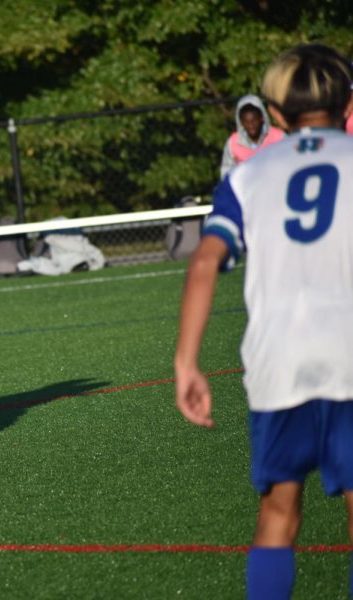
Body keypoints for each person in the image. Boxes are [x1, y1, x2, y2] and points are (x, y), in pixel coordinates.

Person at [174, 43, 353, 600]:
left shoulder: (250, 177)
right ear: (347, 103)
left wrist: (186, 362)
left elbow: (206, 260)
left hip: (279, 362)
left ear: (274, 115)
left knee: (278, 514)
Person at [219, 94, 285, 179]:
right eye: (246, 122)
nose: (251, 125)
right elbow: (226, 171)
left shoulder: (278, 137)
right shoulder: (233, 143)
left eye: (254, 120)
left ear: (262, 118)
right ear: (241, 122)